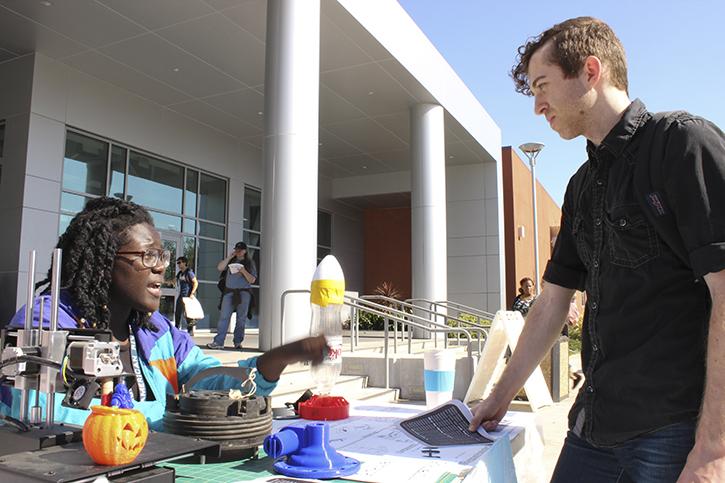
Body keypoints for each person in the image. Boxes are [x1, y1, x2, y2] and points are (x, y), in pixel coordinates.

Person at [469, 17, 725, 482]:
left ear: (590, 71)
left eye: (543, 86)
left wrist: (714, 449)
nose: (537, 107)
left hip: (673, 432)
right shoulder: (580, 186)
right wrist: (500, 395)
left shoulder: (682, 144)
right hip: (593, 426)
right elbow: (551, 302)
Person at [0, 197, 328, 430]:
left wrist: (279, 358)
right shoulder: (47, 323)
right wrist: (165, 418)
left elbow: (206, 380)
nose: (160, 268)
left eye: (163, 256)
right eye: (148, 256)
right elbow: (33, 413)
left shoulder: (155, 329)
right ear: (105, 262)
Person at [207, 242, 257, 350]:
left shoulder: (249, 263)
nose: (238, 252)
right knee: (224, 317)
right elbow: (220, 268)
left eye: (240, 250)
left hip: (243, 293)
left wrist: (243, 271)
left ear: (245, 251)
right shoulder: (231, 260)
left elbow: (252, 280)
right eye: (236, 250)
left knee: (241, 319)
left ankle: (238, 341)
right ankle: (218, 342)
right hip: (229, 292)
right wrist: (229, 257)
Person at [174, 256, 198, 335]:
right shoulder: (180, 273)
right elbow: (174, 281)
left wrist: (192, 293)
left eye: (179, 262)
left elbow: (195, 282)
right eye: (177, 263)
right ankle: (176, 328)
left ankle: (190, 330)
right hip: (182, 295)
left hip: (187, 295)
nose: (178, 264)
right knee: (178, 311)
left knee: (188, 313)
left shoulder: (189, 272)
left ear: (184, 263)